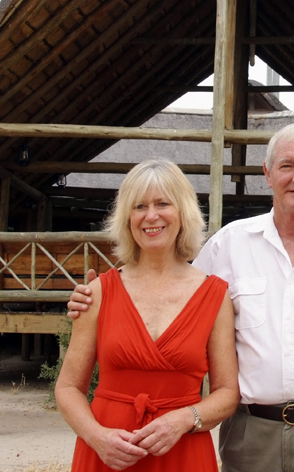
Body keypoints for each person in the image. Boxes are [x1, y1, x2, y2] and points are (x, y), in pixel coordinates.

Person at [69, 123, 294, 472]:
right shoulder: (229, 245)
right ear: (267, 173)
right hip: (251, 435)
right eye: (286, 166)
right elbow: (173, 290)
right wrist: (93, 299)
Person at [55, 160, 239, 472]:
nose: (151, 216)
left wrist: (184, 419)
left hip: (183, 451)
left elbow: (227, 393)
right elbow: (68, 387)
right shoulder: (98, 293)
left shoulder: (215, 295)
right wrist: (96, 436)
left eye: (162, 203)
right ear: (127, 218)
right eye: (139, 206)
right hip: (107, 454)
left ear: (182, 212)